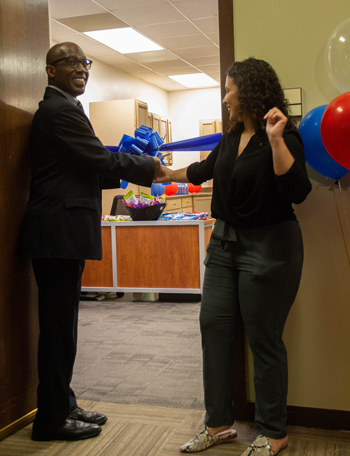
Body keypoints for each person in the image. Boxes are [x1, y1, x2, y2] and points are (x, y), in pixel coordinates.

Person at [154, 57, 312, 455]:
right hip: (223, 244)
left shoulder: (284, 137)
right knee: (214, 328)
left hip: (269, 246)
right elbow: (203, 170)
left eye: (228, 90)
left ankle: (274, 433)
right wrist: (162, 173)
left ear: (249, 91)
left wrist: (276, 139)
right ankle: (219, 423)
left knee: (264, 339)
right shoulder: (229, 138)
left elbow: (297, 190)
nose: (225, 98)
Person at [20, 42, 161, 442]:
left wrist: (127, 163)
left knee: (64, 325)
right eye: (69, 62)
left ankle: (63, 403)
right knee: (59, 327)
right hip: (57, 232)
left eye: (83, 62)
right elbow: (98, 159)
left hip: (62, 232)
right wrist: (150, 168)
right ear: (50, 71)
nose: (80, 68)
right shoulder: (59, 110)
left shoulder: (66, 108)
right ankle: (50, 420)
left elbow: (87, 166)